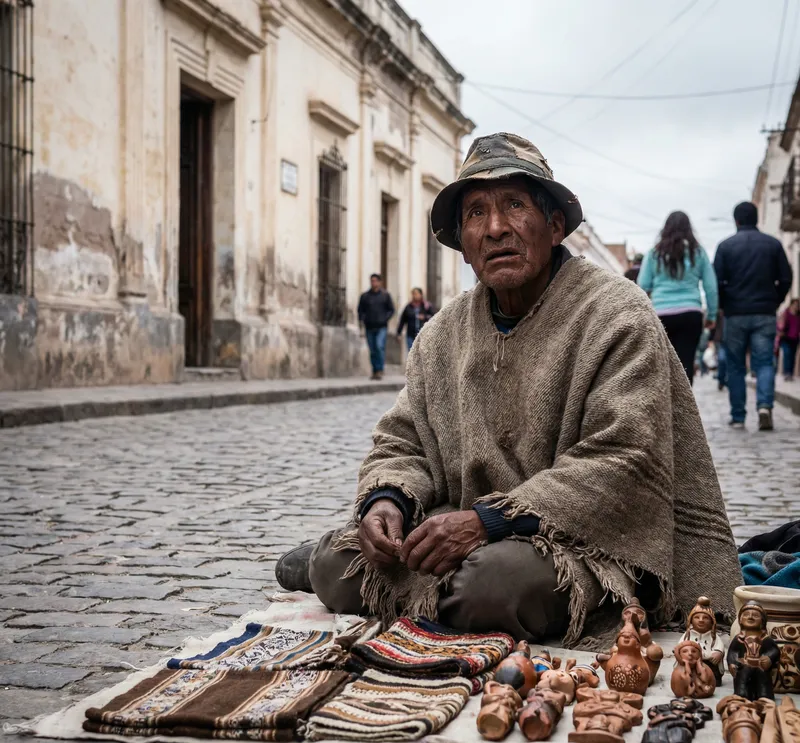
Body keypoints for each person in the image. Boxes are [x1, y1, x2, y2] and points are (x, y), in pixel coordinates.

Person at [275, 132, 740, 647]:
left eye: (514, 205)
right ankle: (362, 566)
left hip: (580, 543)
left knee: (492, 586)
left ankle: (441, 585)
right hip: (464, 533)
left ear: (554, 225)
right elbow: (402, 441)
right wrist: (386, 503)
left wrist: (486, 522)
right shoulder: (442, 333)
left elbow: (625, 459)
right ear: (464, 243)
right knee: (340, 563)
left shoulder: (616, 314)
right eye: (476, 213)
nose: (495, 228)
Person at [714, 201, 792, 430]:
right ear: (756, 219)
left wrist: (725, 304)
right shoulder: (773, 245)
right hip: (764, 313)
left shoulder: (725, 247)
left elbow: (716, 282)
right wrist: (774, 301)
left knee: (736, 365)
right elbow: (786, 279)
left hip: (735, 314)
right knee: (765, 362)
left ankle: (738, 416)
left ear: (736, 220)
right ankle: (765, 406)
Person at [637, 212, 717, 385]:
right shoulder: (699, 253)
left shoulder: (654, 253)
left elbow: (642, 286)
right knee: (686, 363)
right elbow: (711, 287)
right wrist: (711, 315)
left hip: (661, 314)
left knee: (660, 366)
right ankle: (683, 408)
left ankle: (663, 406)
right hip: (691, 313)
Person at [358, 274, 394, 380]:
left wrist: (385, 318)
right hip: (369, 326)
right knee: (372, 349)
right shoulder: (365, 296)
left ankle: (379, 369)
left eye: (375, 281)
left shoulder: (385, 295)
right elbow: (360, 310)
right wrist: (363, 319)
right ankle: (374, 370)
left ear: (379, 282)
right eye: (372, 281)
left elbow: (391, 310)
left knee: (379, 346)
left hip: (381, 326)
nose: (373, 283)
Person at [396, 288, 436, 352]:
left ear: (421, 295)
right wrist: (398, 333)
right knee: (411, 352)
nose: (415, 296)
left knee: (422, 353)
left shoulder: (426, 306)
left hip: (423, 334)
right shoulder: (408, 307)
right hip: (410, 334)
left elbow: (434, 317)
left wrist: (424, 317)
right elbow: (402, 320)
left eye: (417, 294)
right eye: (413, 294)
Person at [777, 298, 800, 381]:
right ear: (791, 305)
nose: (797, 307)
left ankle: (790, 373)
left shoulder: (798, 315)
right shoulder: (786, 313)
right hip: (785, 338)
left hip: (795, 339)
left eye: (798, 305)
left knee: (793, 357)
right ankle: (787, 373)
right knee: (787, 354)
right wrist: (780, 331)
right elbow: (780, 324)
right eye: (795, 305)